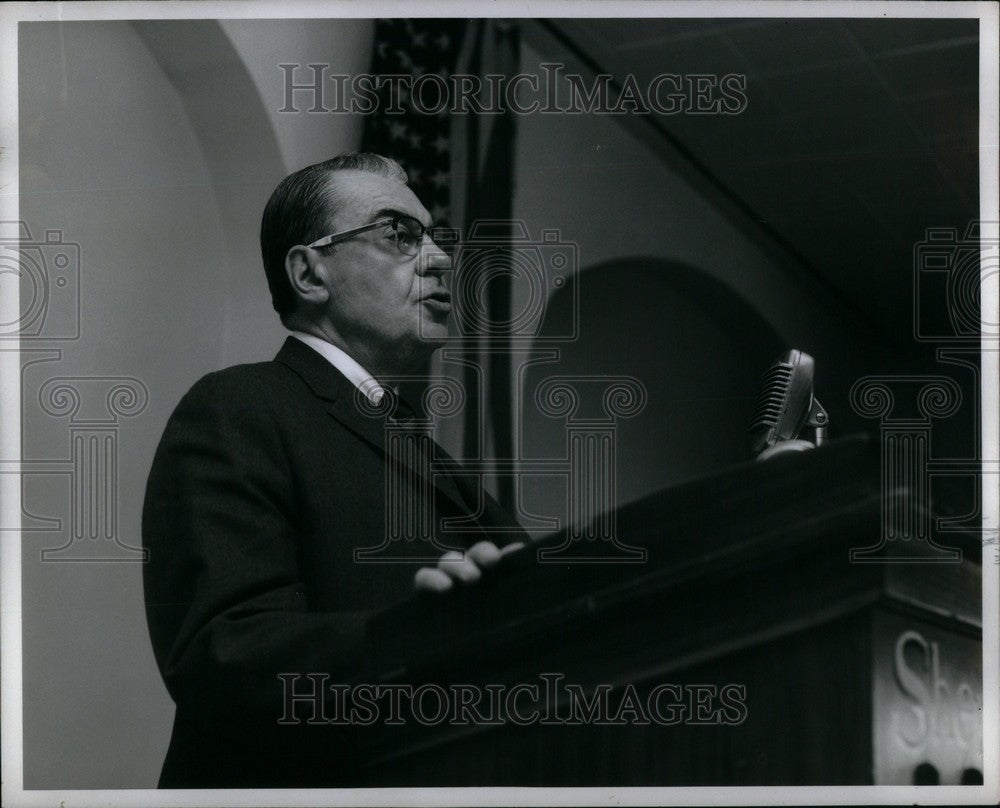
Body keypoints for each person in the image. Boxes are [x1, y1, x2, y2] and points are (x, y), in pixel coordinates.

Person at [141, 153, 528, 788]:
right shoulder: (238, 407)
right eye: (399, 234)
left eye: (435, 237)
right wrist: (419, 641)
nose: (439, 259)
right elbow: (224, 656)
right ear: (309, 272)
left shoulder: (427, 455)